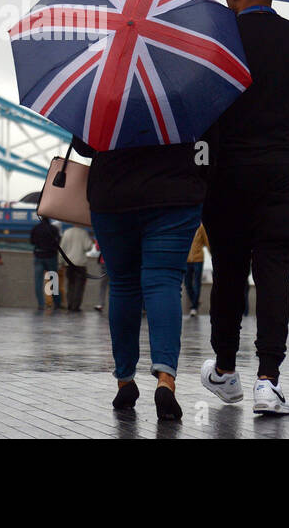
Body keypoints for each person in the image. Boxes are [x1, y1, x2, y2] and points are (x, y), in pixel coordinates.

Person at [200, 0, 289, 417]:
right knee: (273, 270)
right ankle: (268, 382)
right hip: (282, 172)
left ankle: (226, 369)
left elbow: (199, 104)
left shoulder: (219, 40)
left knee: (229, 269)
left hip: (227, 172)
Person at [71, 133, 209, 422]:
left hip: (112, 194)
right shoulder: (188, 89)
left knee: (122, 285)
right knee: (165, 282)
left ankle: (124, 381)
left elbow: (84, 146)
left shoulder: (104, 89)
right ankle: (165, 380)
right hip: (175, 191)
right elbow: (209, 143)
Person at [60, 222, 95, 312]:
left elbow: (61, 248)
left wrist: (61, 262)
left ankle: (70, 304)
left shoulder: (67, 232)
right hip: (80, 264)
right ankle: (76, 306)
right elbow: (88, 247)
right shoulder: (83, 233)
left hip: (69, 264)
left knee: (70, 285)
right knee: (79, 286)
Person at [29, 216, 63, 310]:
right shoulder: (53, 229)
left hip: (38, 256)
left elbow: (32, 241)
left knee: (38, 282)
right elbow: (58, 242)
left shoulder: (36, 228)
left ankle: (41, 304)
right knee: (53, 281)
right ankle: (57, 303)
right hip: (51, 257)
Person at [184, 225, 208, 317]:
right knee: (187, 283)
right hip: (187, 260)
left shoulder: (201, 227)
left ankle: (194, 307)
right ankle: (195, 301)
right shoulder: (186, 225)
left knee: (197, 283)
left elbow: (207, 241)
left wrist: (213, 255)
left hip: (198, 259)